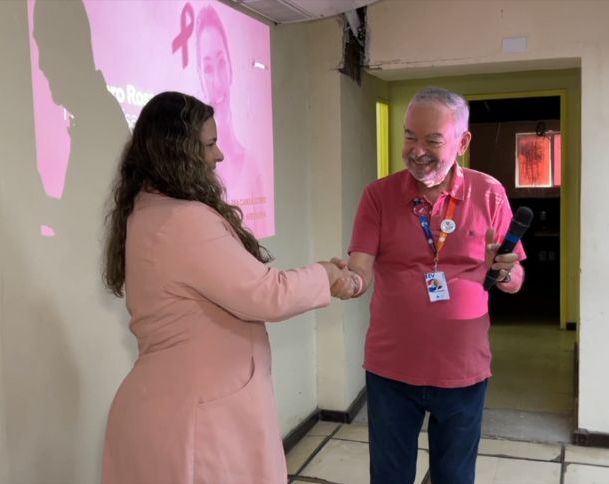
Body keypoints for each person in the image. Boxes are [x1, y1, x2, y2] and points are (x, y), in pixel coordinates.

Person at [100, 91, 349, 484]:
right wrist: (326, 275)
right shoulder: (183, 221)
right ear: (178, 151)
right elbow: (267, 294)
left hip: (177, 406)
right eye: (210, 144)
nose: (218, 156)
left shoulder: (148, 211)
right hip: (196, 419)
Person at [334, 86, 526, 484]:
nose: (416, 150)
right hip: (391, 371)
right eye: (409, 136)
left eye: (432, 140)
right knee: (389, 476)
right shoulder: (378, 196)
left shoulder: (488, 193)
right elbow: (360, 271)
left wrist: (505, 270)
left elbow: (515, 279)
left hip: (463, 370)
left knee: (454, 477)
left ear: (463, 141)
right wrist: (346, 281)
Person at [195, 5, 267, 234]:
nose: (216, 80)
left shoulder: (252, 164)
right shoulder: (188, 203)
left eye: (221, 63)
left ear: (231, 68)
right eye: (207, 68)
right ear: (199, 75)